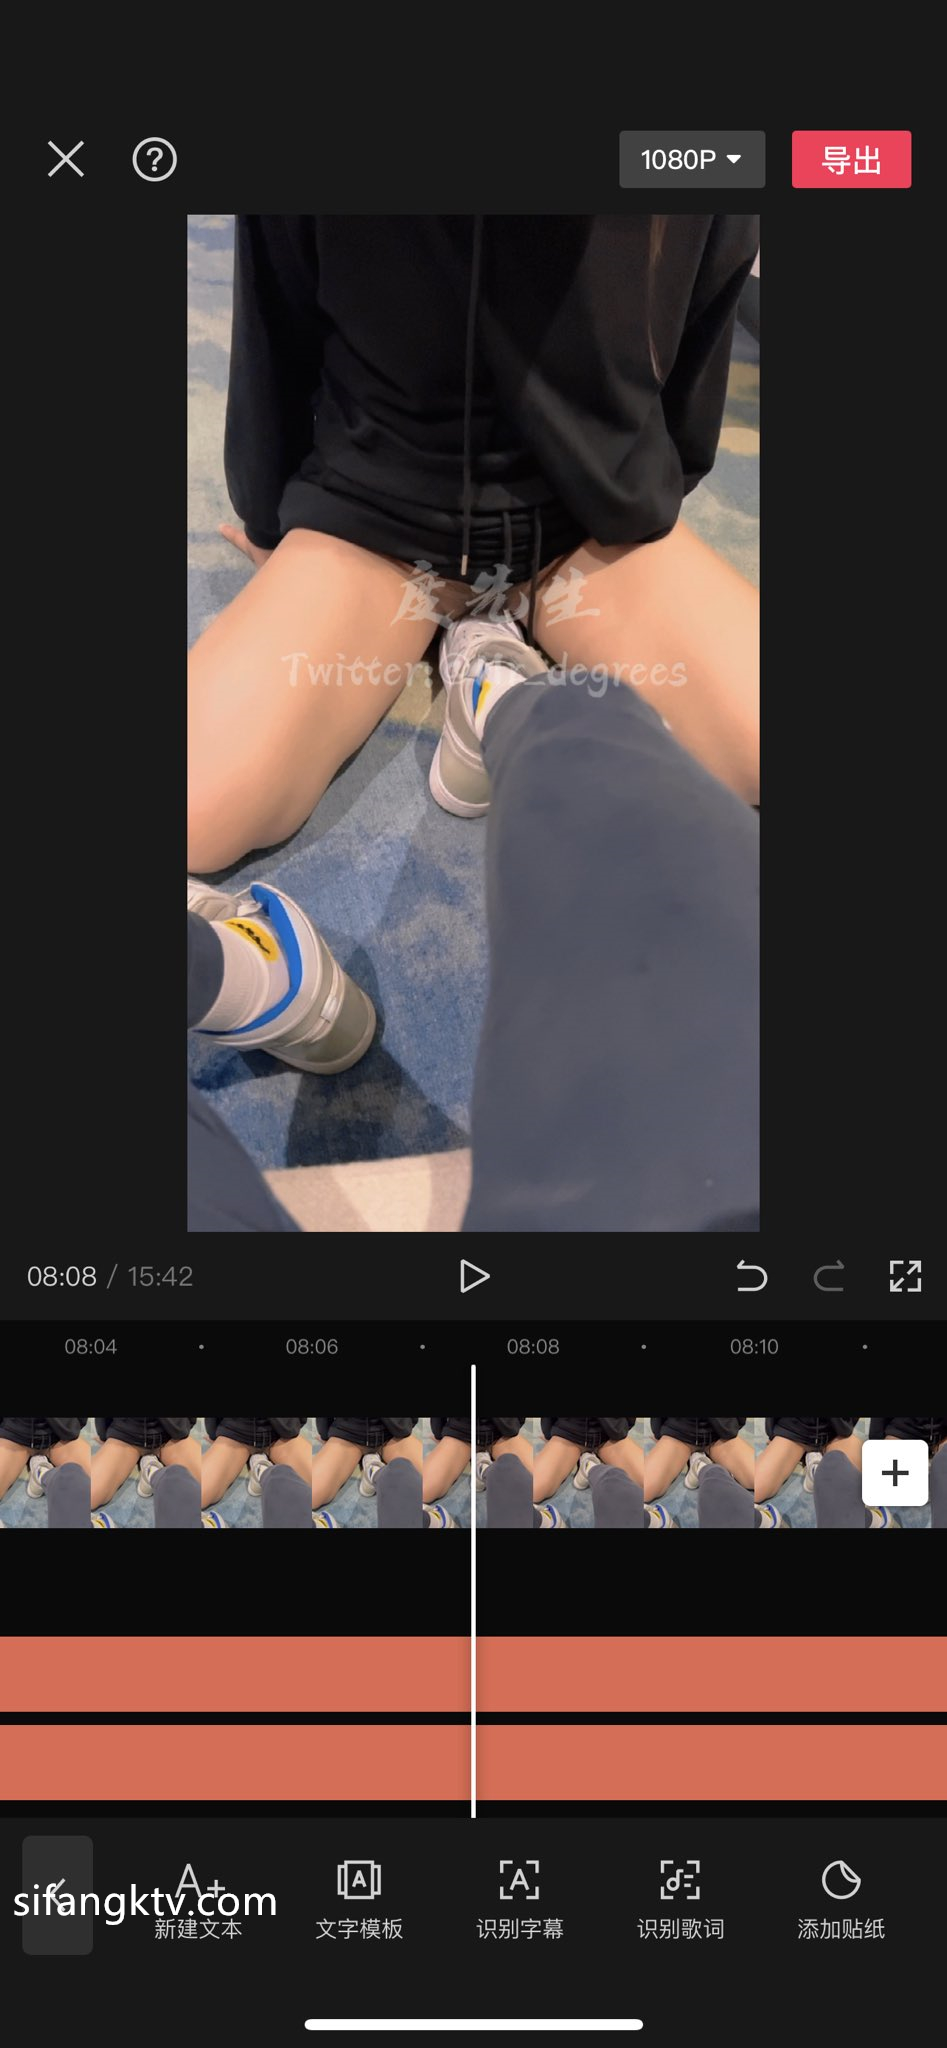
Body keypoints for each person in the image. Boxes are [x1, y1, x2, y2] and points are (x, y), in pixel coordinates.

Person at [189, 214, 760, 883]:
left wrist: (645, 500)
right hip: (377, 522)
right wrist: (270, 521)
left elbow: (703, 316)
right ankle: (478, 638)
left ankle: (486, 638)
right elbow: (275, 316)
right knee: (197, 810)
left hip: (588, 523)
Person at [201, 1417, 311, 1510]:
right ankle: (258, 1462)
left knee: (315, 1488)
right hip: (236, 1435)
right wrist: (214, 1434)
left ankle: (259, 1462)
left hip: (281, 1437)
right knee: (199, 1495)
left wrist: (292, 1426)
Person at [645, 1418, 752, 1500]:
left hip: (718, 1436)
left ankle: (699, 1460)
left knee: (755, 1478)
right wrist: (659, 1433)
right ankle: (697, 1460)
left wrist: (730, 1427)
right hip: (679, 1435)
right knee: (646, 1489)